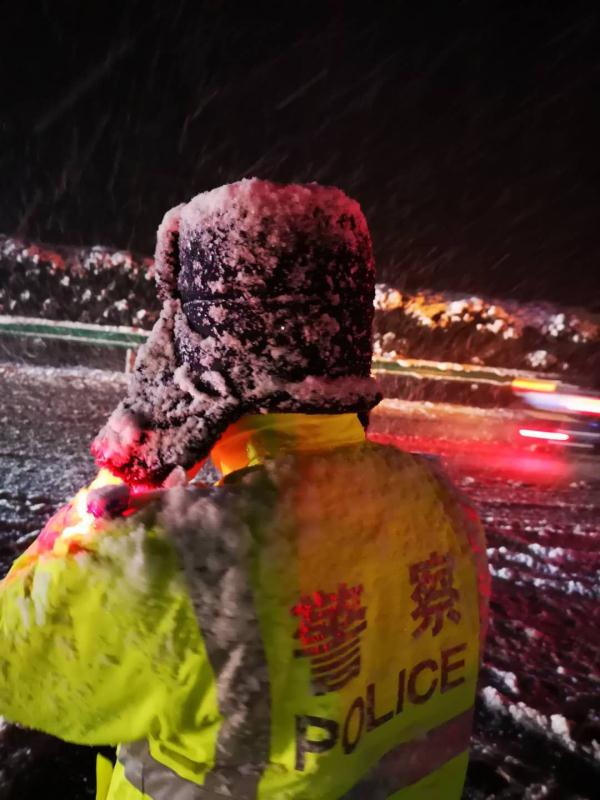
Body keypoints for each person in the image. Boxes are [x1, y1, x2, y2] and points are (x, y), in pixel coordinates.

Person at [0, 179, 489, 799]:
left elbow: (16, 664)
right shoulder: (446, 508)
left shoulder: (182, 556)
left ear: (199, 356)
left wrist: (127, 465)